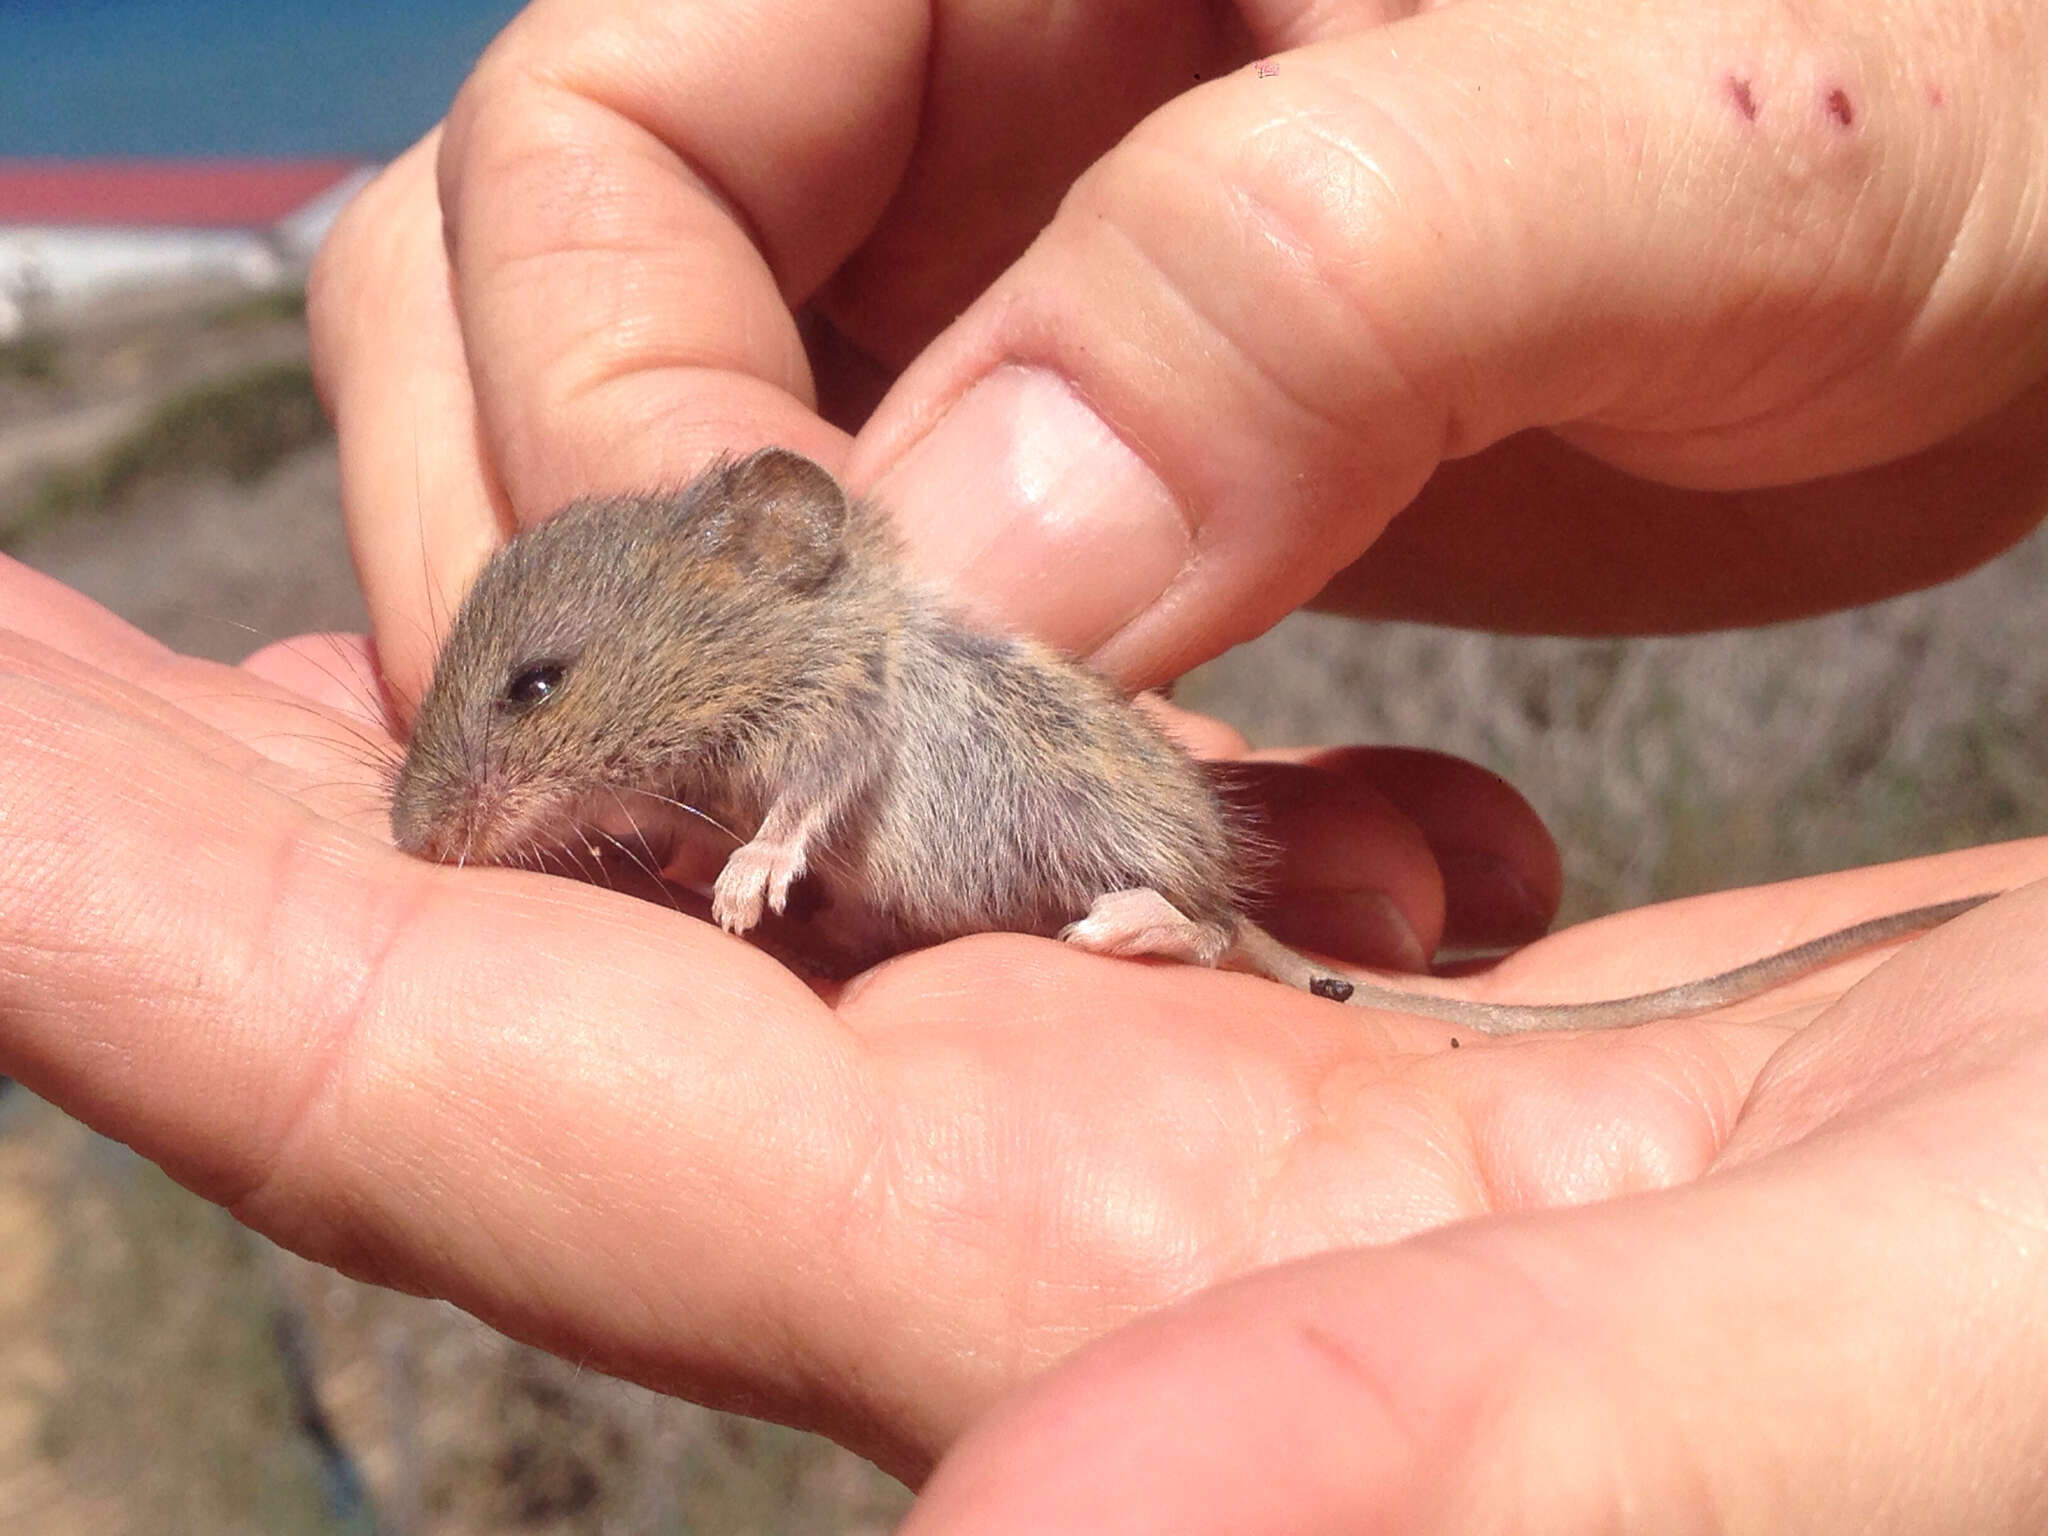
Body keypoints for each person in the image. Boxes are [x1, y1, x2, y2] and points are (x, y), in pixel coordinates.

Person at [3, 0, 2045, 1527]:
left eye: (529, 700)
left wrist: (787, 834)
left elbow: (833, 744)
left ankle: (1171, 909)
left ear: (740, 569)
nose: (508, 763)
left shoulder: (801, 616)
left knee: (1119, 815)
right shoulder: (689, 684)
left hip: (1071, 825)